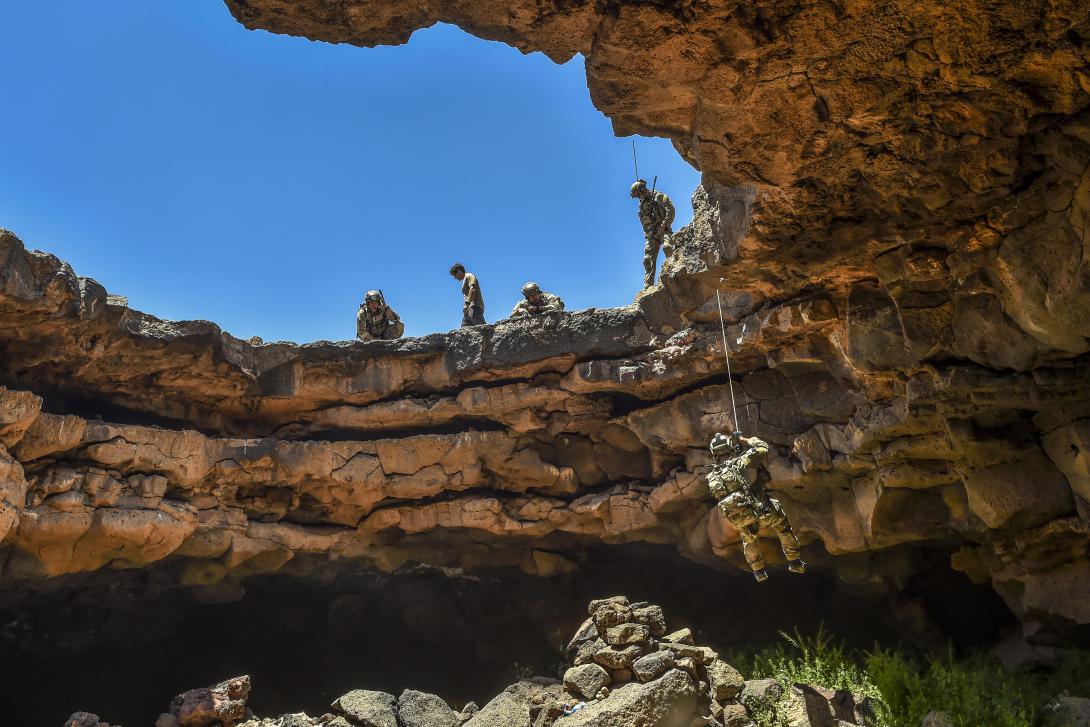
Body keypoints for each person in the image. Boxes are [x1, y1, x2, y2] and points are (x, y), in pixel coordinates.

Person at [705, 430, 804, 582]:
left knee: (749, 539)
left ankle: (759, 572)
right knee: (782, 526)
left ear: (714, 453)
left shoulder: (713, 476)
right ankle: (794, 562)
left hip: (741, 518)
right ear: (729, 446)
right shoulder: (739, 462)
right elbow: (762, 447)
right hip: (762, 511)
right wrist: (743, 439)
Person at [630, 179, 675, 288]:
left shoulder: (659, 196)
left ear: (642, 189)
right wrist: (650, 234)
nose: (639, 197)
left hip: (664, 229)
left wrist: (663, 226)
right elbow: (644, 225)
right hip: (652, 235)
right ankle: (648, 286)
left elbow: (671, 211)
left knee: (667, 247)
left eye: (639, 194)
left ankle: (674, 272)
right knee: (647, 259)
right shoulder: (642, 207)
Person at [449, 262, 486, 327]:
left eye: (454, 275)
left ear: (459, 271)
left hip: (474, 307)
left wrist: (467, 304)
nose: (455, 278)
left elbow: (473, 289)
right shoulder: (464, 280)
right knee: (464, 330)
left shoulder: (469, 276)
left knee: (483, 329)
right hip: (468, 309)